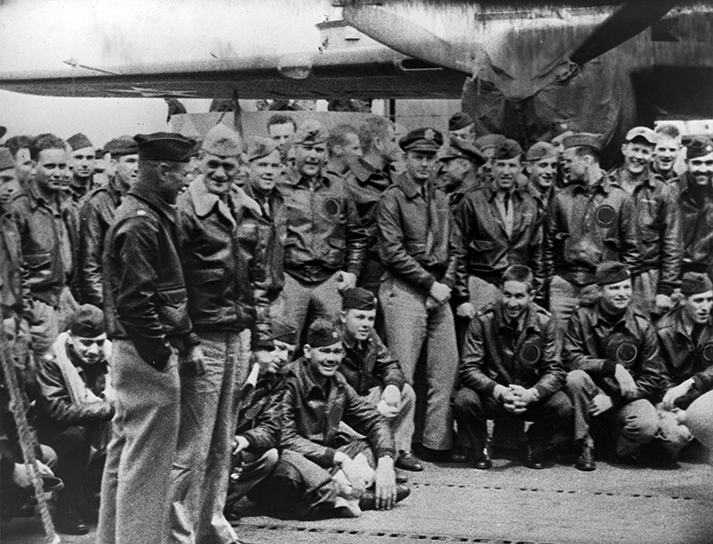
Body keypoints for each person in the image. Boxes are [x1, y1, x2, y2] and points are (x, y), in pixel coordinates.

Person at [170, 124, 272, 544]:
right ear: (199, 162)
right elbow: (172, 283)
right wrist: (186, 340)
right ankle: (179, 532)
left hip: (238, 338)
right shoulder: (185, 210)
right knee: (191, 444)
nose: (220, 172)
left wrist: (262, 341)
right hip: (203, 337)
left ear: (240, 166)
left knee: (221, 441)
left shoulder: (250, 210)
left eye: (228, 165)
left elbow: (261, 281)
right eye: (212, 164)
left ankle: (211, 524)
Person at [98, 132, 197, 544]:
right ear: (162, 170)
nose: (186, 182)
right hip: (145, 354)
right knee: (148, 469)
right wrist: (161, 355)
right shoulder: (142, 222)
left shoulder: (142, 213)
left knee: (125, 458)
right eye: (182, 174)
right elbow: (136, 303)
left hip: (132, 352)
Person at [377, 127, 467, 460]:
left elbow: (456, 248)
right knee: (401, 372)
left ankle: (436, 442)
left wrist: (443, 287)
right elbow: (392, 252)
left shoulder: (441, 196)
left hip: (438, 291)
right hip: (404, 289)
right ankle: (398, 448)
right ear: (405, 158)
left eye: (430, 158)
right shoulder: (393, 197)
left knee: (446, 369)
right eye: (418, 157)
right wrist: (430, 285)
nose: (425, 164)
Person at [278, 319, 408, 516]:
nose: (332, 359)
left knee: (371, 445)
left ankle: (347, 491)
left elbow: (374, 420)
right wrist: (337, 457)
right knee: (289, 475)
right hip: (299, 457)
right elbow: (285, 438)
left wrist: (386, 463)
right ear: (307, 351)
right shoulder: (289, 382)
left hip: (327, 457)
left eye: (337, 352)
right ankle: (355, 495)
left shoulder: (337, 382)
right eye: (324, 351)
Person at [453, 265, 572, 469]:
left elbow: (555, 370)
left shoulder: (545, 322)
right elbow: (469, 368)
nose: (512, 303)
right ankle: (479, 447)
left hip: (528, 395)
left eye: (519, 296)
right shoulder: (483, 320)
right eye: (507, 295)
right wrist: (498, 390)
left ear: (532, 295)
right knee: (464, 400)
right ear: (500, 291)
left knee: (562, 405)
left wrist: (533, 394)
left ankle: (534, 444)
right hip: (495, 395)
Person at [564, 262, 663, 471]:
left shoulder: (642, 325)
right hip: (590, 395)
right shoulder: (581, 317)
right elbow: (570, 358)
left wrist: (613, 399)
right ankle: (585, 444)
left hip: (624, 398)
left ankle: (614, 447)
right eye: (614, 288)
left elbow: (652, 377)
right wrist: (612, 367)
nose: (622, 293)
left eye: (626, 287)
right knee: (575, 378)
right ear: (600, 290)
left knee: (647, 425)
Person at [280, 120, 367, 342]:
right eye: (307, 148)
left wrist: (353, 271)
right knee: (284, 343)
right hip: (290, 278)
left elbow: (356, 234)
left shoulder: (338, 186)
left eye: (318, 150)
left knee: (331, 344)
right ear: (295, 150)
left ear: (326, 154)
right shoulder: (279, 186)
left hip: (329, 279)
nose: (312, 156)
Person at [544, 133, 641, 328]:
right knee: (557, 345)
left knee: (596, 345)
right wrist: (552, 280)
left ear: (587, 160)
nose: (565, 166)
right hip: (563, 286)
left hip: (600, 287)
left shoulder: (620, 199)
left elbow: (632, 251)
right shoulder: (560, 198)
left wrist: (611, 285)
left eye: (569, 161)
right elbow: (547, 247)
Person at [35, 305, 114, 535]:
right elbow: (58, 409)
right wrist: (108, 410)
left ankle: (85, 498)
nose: (94, 350)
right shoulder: (52, 359)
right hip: (52, 428)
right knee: (75, 436)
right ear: (71, 339)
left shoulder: (110, 356)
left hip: (93, 423)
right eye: (86, 343)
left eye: (99, 342)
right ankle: (66, 508)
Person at [455, 138, 544, 315]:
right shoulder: (473, 201)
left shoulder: (529, 204)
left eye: (511, 166)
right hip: (483, 284)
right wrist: (462, 297)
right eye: (501, 165)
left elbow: (538, 253)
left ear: (520, 168)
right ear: (492, 166)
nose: (506, 172)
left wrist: (538, 297)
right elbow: (458, 250)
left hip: (518, 289)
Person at [338, 287, 421, 471]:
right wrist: (372, 411)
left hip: (361, 399)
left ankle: (398, 452)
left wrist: (392, 386)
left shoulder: (369, 338)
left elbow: (389, 364)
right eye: (359, 317)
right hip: (338, 409)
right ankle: (376, 458)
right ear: (343, 316)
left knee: (405, 391)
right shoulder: (332, 340)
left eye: (370, 318)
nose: (366, 324)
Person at [224, 319, 297, 520]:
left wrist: (245, 439)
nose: (284, 357)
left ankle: (223, 503)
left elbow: (272, 428)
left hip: (237, 444)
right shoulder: (237, 369)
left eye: (290, 353)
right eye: (279, 348)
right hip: (216, 440)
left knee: (269, 455)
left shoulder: (277, 383)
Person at [9, 133, 76, 353]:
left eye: (63, 166)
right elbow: (12, 272)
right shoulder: (19, 207)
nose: (58, 173)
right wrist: (29, 316)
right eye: (50, 166)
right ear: (34, 166)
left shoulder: (67, 203)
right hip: (39, 306)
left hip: (65, 300)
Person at [606, 127, 682, 318]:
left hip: (646, 276)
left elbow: (672, 243)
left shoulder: (663, 191)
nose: (639, 156)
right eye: (635, 149)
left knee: (644, 331)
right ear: (624, 149)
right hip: (609, 275)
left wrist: (665, 289)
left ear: (652, 155)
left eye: (645, 151)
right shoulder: (606, 184)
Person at [75, 135, 139, 307]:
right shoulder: (97, 203)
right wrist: (107, 307)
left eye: (141, 162)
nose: (137, 168)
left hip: (143, 301)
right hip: (114, 301)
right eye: (130, 161)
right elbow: (90, 266)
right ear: (114, 165)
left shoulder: (148, 200)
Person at [656, 272, 713, 458]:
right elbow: (660, 374)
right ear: (682, 300)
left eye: (710, 299)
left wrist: (692, 382)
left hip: (706, 396)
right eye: (699, 301)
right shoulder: (663, 330)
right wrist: (677, 406)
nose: (706, 307)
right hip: (675, 401)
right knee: (677, 436)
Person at [344, 116, 401, 296]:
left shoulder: (396, 178)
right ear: (378, 142)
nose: (396, 146)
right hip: (370, 271)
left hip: (398, 267)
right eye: (392, 140)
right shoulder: (350, 183)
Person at [242, 137, 287, 318]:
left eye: (274, 166)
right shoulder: (238, 203)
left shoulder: (280, 201)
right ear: (248, 167)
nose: (269, 172)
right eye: (262, 165)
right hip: (246, 300)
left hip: (275, 299)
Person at [678, 136, 713, 279]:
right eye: (697, 163)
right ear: (687, 164)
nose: (703, 169)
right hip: (679, 276)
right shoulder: (671, 193)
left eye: (709, 163)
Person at [436, 138, 484, 209]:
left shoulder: (479, 198)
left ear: (465, 166)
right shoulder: (456, 197)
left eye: (448, 164)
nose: (443, 169)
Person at [524, 141, 559, 216]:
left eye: (553, 165)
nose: (549, 172)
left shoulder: (560, 198)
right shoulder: (519, 197)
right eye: (543, 165)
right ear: (529, 167)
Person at [66, 133, 96, 202]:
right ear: (68, 160)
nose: (85, 164)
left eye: (89, 158)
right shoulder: (59, 191)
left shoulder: (100, 188)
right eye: (78, 158)